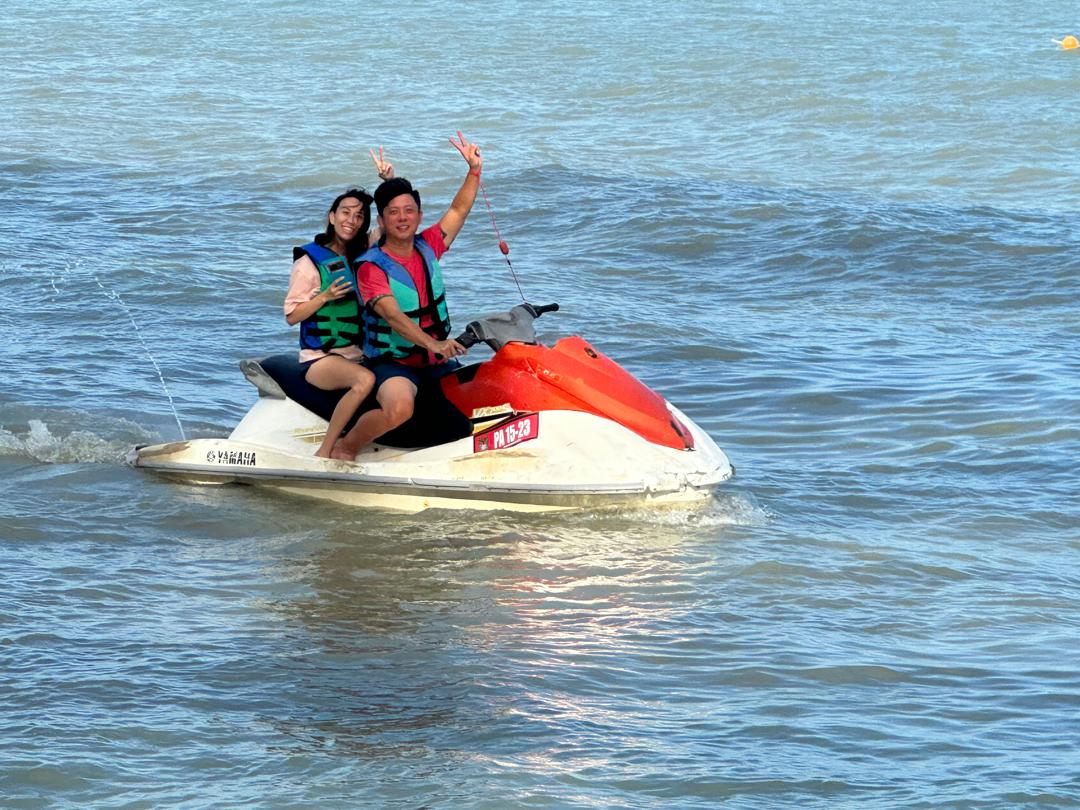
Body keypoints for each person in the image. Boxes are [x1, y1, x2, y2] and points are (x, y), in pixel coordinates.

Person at [329, 131, 483, 460]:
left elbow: (458, 210)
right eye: (394, 212)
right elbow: (392, 316)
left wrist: (474, 170)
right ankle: (346, 448)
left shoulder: (430, 245)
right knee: (399, 407)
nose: (403, 218)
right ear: (382, 220)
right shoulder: (371, 267)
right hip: (393, 362)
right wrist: (435, 344)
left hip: (435, 361)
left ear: (419, 216)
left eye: (409, 211)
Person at [283, 150, 395, 458]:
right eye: (346, 212)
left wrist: (390, 181)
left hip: (357, 353)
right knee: (365, 381)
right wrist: (324, 297)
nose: (352, 220)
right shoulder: (309, 264)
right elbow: (291, 316)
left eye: (359, 216)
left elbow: (391, 222)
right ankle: (326, 451)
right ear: (333, 217)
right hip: (319, 359)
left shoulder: (361, 255)